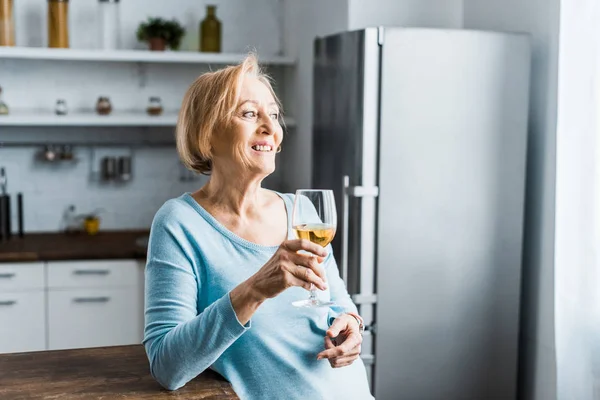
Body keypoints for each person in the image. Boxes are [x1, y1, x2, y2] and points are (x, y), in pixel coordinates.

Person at [143, 54, 374, 400]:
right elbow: (167, 366)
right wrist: (254, 291)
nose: (271, 126)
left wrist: (353, 327)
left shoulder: (301, 210)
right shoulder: (179, 224)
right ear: (207, 133)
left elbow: (338, 303)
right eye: (250, 113)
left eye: (274, 114)